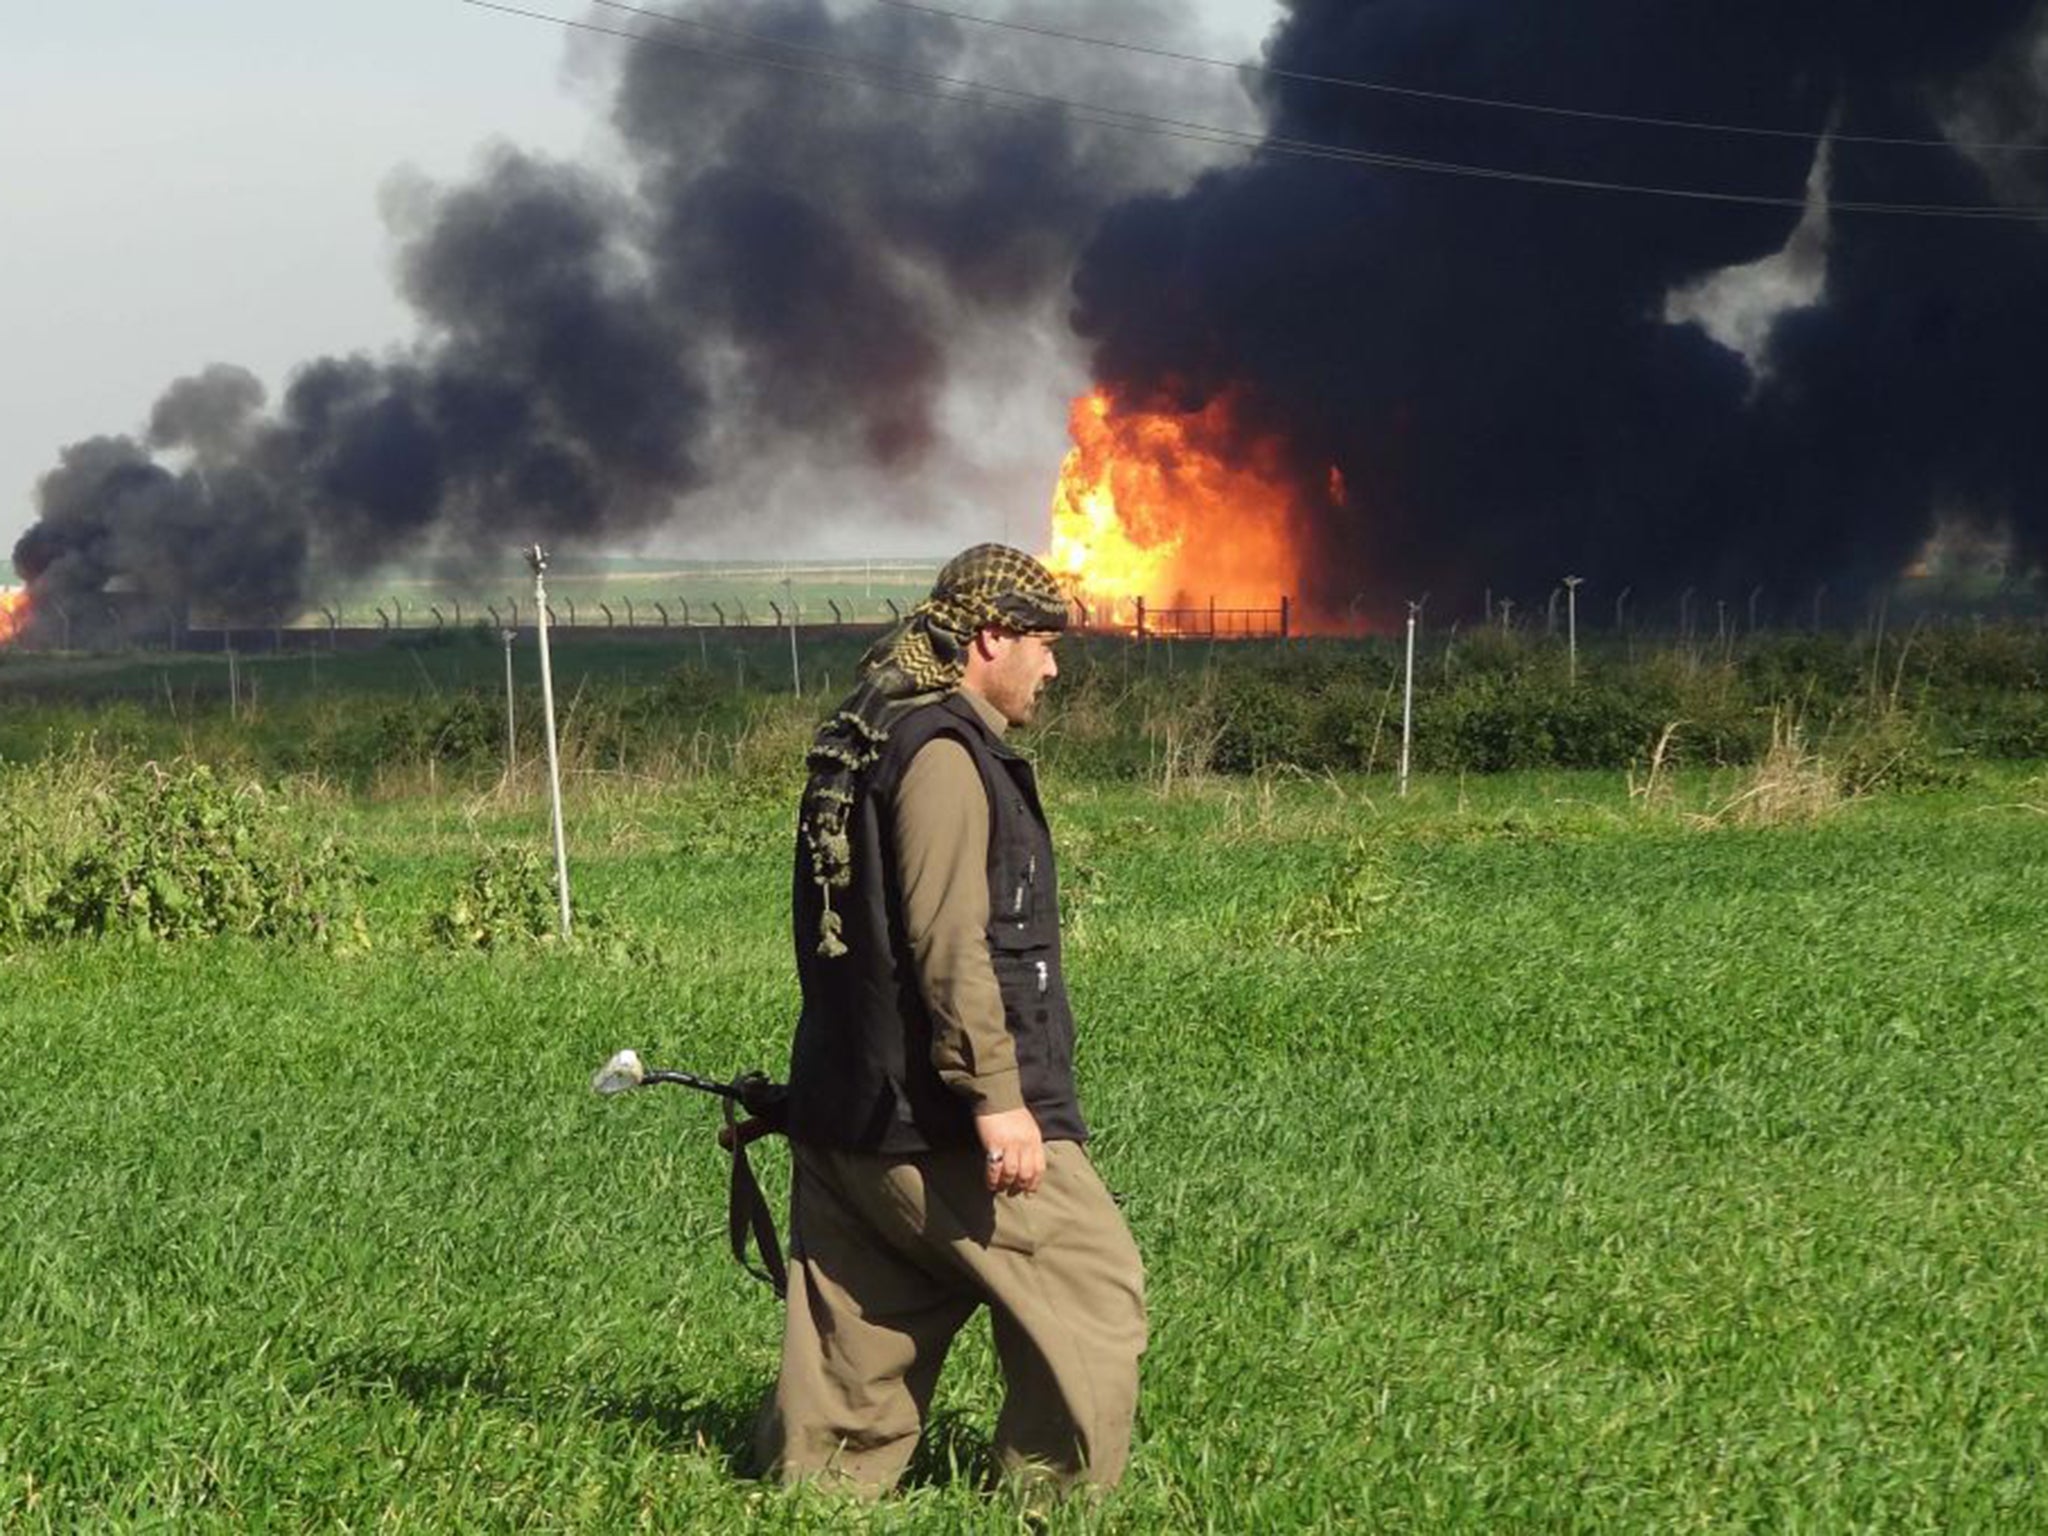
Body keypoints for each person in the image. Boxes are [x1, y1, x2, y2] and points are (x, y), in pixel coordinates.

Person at [760, 543, 1147, 1497]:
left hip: (847, 1114)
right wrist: (998, 1100)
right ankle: (1055, 1503)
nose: (1054, 667)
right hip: (932, 1121)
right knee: (1093, 1285)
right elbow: (946, 939)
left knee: (867, 1323)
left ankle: (817, 1500)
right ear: (991, 638)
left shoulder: (865, 730)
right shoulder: (939, 754)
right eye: (1045, 644)